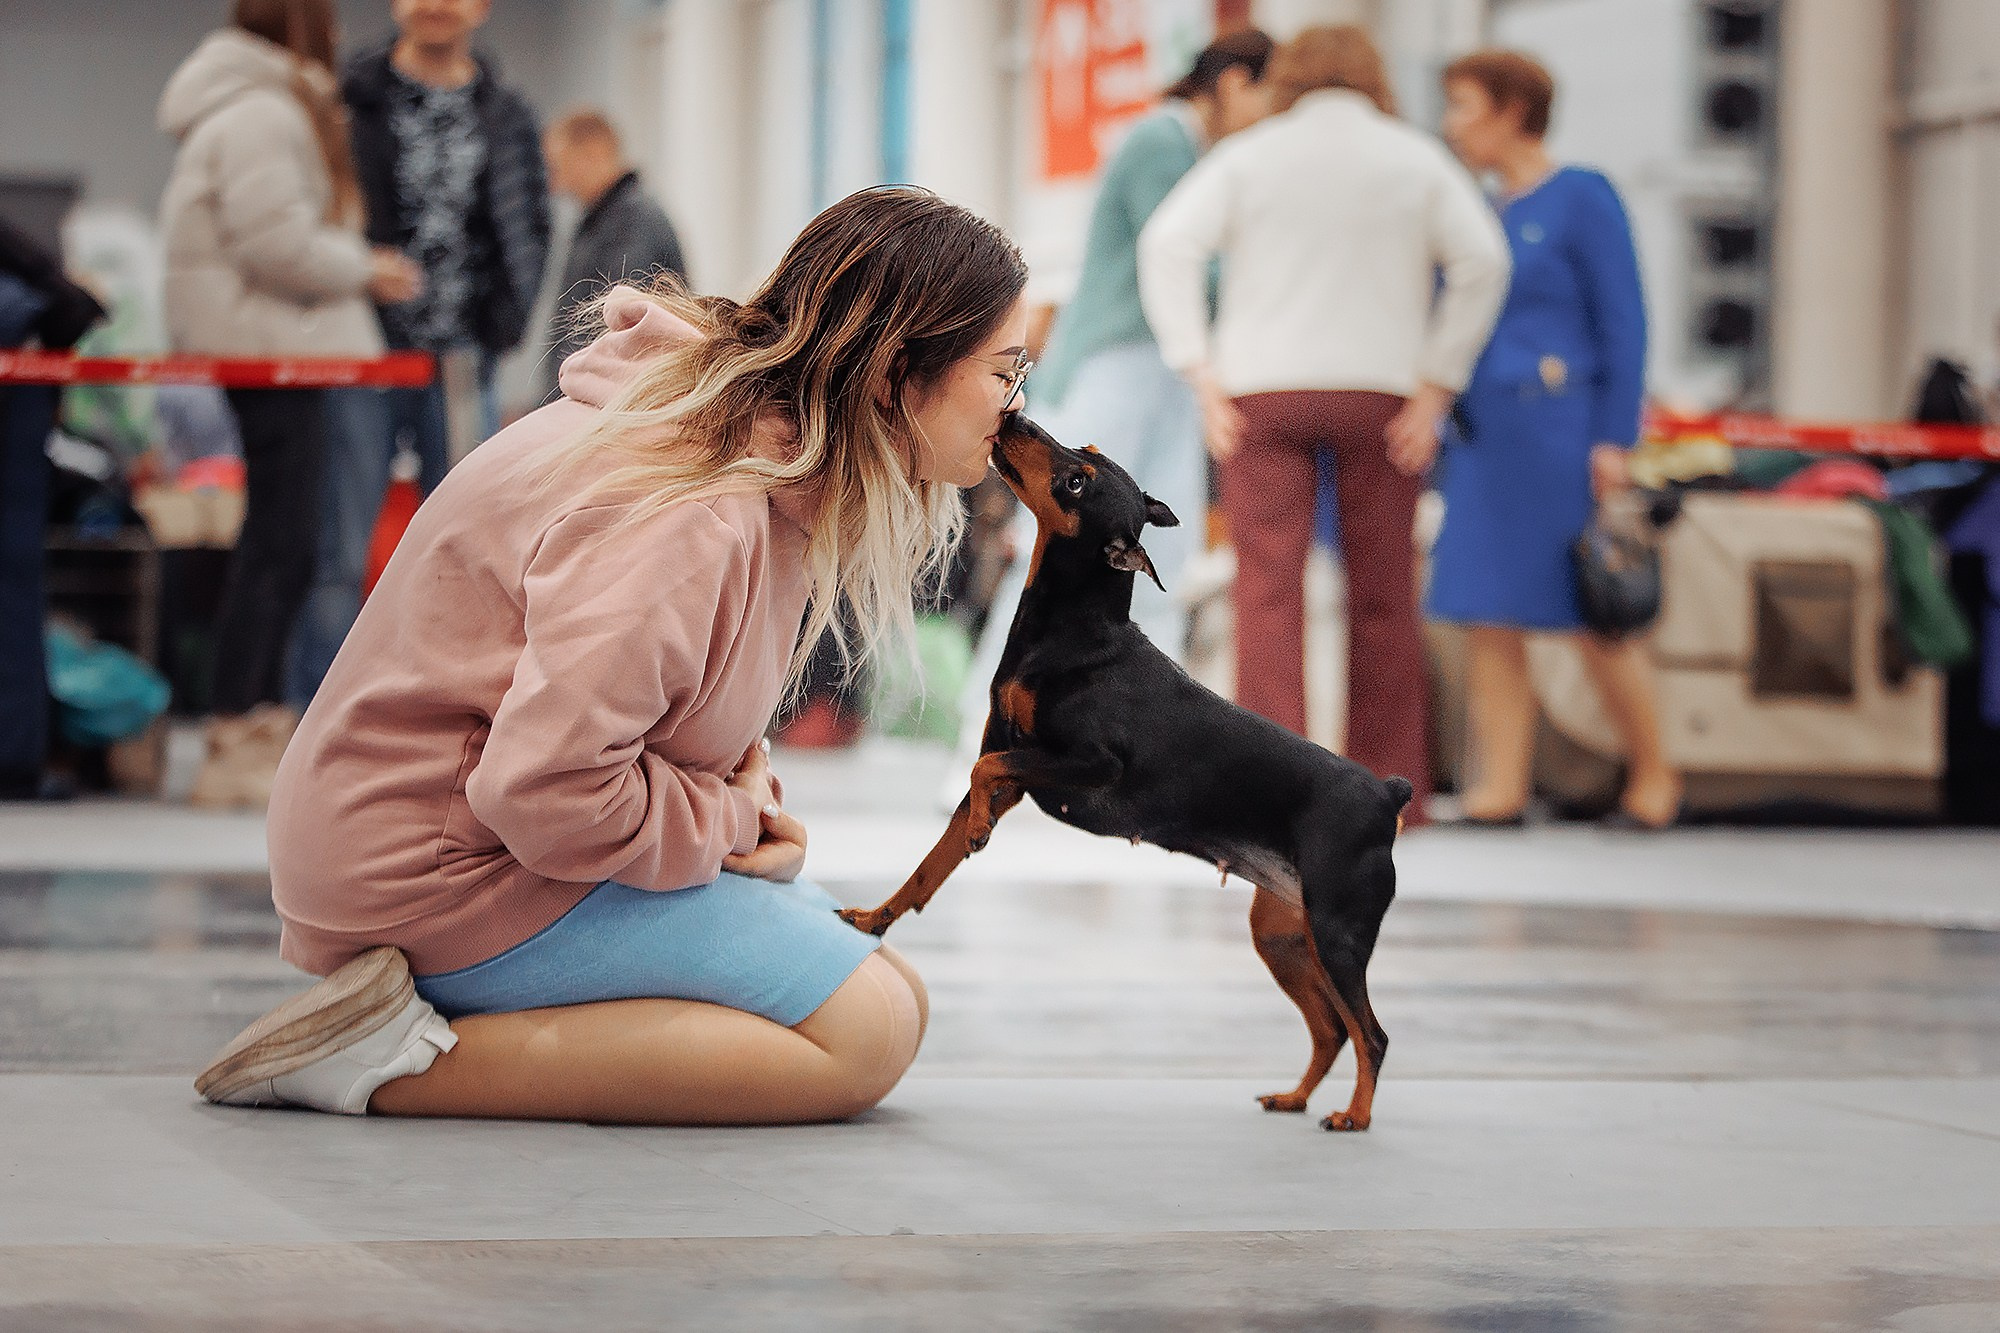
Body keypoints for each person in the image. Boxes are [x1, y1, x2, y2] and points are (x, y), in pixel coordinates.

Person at [194, 187, 1032, 1125]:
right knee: (865, 1031)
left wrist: (745, 807)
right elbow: (544, 786)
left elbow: (659, 711)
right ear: (893, 375)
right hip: (430, 869)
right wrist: (721, 820)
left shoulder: (761, 463)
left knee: (894, 997)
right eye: (1005, 369)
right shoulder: (692, 509)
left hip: (489, 842)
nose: (1015, 403)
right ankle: (377, 1057)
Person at [1139, 25, 1509, 826]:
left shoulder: (1251, 155)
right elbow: (1484, 261)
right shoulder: (1416, 158)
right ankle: (1391, 794)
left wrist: (1198, 371)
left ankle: (1269, 790)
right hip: (1382, 395)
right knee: (1384, 594)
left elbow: (1167, 242)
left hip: (1261, 392)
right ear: (1373, 78)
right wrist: (1437, 385)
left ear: (1292, 78)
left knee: (1266, 592)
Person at [937, 31, 1276, 801]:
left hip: (1157, 370)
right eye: (1264, 94)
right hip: (1117, 366)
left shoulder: (1193, 152)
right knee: (1059, 550)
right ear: (1229, 83)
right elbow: (1181, 258)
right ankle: (983, 735)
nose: (1267, 115)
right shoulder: (1165, 138)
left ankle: (1128, 748)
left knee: (1160, 562)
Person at [157, 0, 423, 808]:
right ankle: (241, 727)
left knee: (283, 541)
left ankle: (250, 721)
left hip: (267, 345)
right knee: (283, 545)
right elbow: (275, 238)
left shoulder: (251, 103)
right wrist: (364, 268)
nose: (341, 35)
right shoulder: (265, 112)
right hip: (272, 349)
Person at [1426, 50, 1680, 830]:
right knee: (1486, 613)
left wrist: (1614, 436)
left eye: (1465, 106)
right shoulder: (1480, 211)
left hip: (1557, 434)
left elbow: (1624, 320)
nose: (1453, 125)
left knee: (1588, 610)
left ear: (1511, 110)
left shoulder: (1583, 198)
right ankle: (1500, 785)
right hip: (1482, 438)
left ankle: (1655, 774)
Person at [343, 0, 551, 467]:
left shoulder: (508, 113)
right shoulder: (353, 102)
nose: (435, 5)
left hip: (467, 355)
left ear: (481, 7)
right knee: (353, 516)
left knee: (463, 516)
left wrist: (509, 315)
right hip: (367, 345)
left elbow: (532, 223)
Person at [542, 106, 688, 398]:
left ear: (593, 153)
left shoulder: (632, 224)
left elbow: (610, 327)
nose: (555, 185)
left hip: (604, 403)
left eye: (560, 167)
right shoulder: (607, 220)